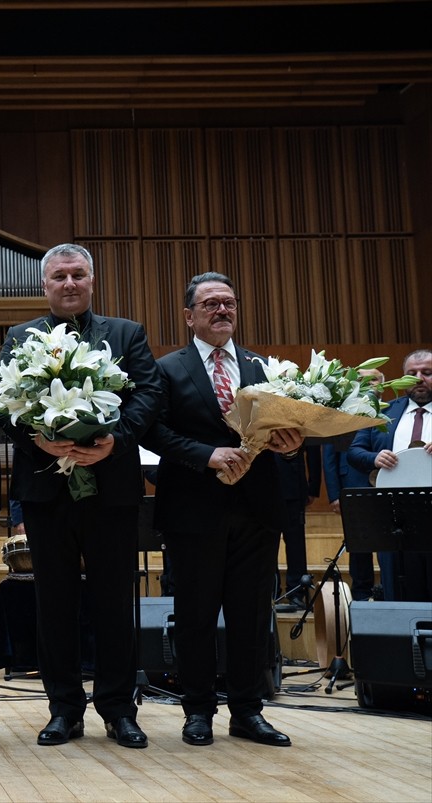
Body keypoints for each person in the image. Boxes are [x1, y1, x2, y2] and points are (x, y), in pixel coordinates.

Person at [0, 243, 163, 750]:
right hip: (48, 493)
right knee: (55, 605)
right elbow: (3, 404)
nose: (69, 283)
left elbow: (150, 393)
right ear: (44, 285)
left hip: (110, 491)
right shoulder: (20, 337)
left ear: (91, 280)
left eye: (77, 274)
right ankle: (64, 709)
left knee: (115, 603)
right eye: (59, 276)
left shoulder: (125, 333)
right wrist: (35, 436)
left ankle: (118, 708)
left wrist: (116, 439)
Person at [144, 271, 303, 748]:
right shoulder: (166, 369)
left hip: (256, 510)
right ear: (189, 315)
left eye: (229, 303)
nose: (222, 311)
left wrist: (292, 447)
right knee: (194, 615)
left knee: (251, 615)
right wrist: (205, 455)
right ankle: (197, 712)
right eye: (211, 304)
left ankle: (248, 711)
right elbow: (151, 431)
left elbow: (286, 430)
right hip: (193, 511)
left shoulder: (264, 368)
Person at [348, 349, 432, 602]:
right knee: (397, 597)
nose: (419, 378)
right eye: (412, 373)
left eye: (427, 373)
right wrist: (374, 458)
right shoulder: (383, 411)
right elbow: (354, 451)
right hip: (395, 519)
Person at [323, 367, 384, 601]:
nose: (370, 385)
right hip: (351, 482)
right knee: (358, 541)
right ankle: (361, 592)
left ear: (382, 384)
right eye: (363, 381)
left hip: (387, 483)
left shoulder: (397, 409)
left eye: (375, 380)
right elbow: (328, 456)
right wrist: (334, 494)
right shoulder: (341, 412)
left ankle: (388, 590)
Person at [273, 445, 321, 610]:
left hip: (293, 483)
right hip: (263, 486)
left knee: (296, 544)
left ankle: (297, 592)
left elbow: (313, 446)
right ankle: (272, 592)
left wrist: (313, 485)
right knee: (266, 544)